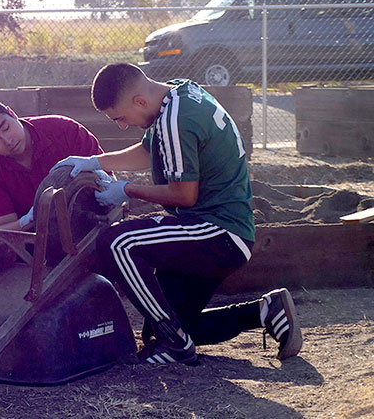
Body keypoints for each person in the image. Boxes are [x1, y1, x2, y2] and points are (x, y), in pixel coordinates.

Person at [52, 63, 301, 365]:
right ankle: (265, 311)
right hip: (224, 230)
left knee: (116, 243)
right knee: (166, 326)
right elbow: (149, 151)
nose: (121, 125)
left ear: (139, 102)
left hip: (217, 231)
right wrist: (97, 161)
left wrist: (126, 189)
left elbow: (184, 194)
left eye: (120, 118)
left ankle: (175, 342)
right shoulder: (179, 92)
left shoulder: (175, 119)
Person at [0, 95, 104, 230]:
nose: (7, 141)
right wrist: (30, 219)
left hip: (90, 222)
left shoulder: (64, 130)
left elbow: (105, 174)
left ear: (12, 114)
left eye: (6, 128)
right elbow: (2, 227)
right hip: (31, 234)